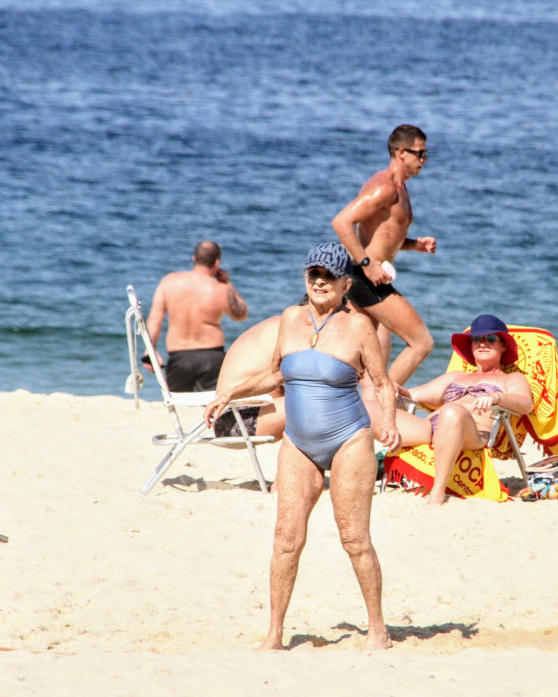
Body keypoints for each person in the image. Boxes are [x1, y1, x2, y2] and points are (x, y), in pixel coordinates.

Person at [204, 242, 400, 651]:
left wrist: (390, 423)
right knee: (285, 538)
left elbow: (382, 383)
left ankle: (378, 628)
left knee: (354, 539)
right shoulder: (291, 319)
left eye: (329, 275)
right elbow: (276, 374)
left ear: (346, 284)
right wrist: (230, 395)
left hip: (349, 440)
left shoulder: (359, 327)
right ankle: (274, 635)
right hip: (298, 443)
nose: (320, 281)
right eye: (314, 273)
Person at [330, 124, 436, 386]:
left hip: (370, 278)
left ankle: (352, 402)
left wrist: (415, 245)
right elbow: (342, 222)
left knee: (357, 360)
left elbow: (384, 237)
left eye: (425, 153)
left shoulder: (401, 189)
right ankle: (386, 398)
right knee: (421, 342)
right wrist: (367, 265)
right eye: (420, 153)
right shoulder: (384, 188)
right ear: (401, 152)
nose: (424, 159)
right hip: (365, 277)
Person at [392, 315, 534, 506]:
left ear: (503, 346)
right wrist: (394, 388)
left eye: (491, 338)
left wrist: (496, 397)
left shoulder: (511, 379)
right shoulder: (455, 377)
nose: (482, 343)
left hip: (471, 433)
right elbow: (411, 395)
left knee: (451, 411)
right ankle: (365, 472)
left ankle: (437, 492)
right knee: (369, 406)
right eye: (476, 339)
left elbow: (525, 404)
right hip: (430, 429)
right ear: (471, 345)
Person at [145, 240, 248, 392]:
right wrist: (227, 282)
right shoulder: (221, 289)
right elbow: (240, 314)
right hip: (212, 357)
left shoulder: (169, 282)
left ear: (194, 258)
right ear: (217, 263)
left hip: (179, 357)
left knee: (178, 402)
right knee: (212, 402)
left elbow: (154, 321)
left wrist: (149, 351)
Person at [211, 314, 285, 440]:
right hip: (238, 420)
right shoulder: (291, 330)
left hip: (225, 417)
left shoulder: (276, 323)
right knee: (316, 403)